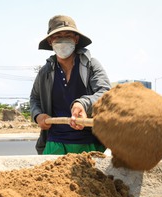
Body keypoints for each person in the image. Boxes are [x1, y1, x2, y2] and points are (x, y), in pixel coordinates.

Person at [30, 15, 111, 155]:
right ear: (50, 41)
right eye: (57, 36)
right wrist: (38, 116)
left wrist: (83, 104)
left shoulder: (91, 65)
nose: (63, 40)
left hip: (89, 143)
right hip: (55, 143)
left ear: (76, 39)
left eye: (68, 35)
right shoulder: (45, 72)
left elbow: (105, 94)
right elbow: (35, 98)